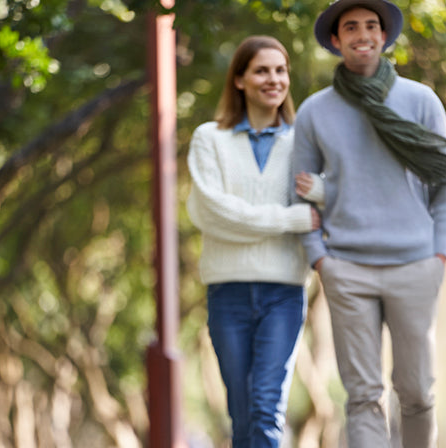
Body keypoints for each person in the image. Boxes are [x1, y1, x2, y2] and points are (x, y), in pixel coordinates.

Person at [290, 0, 446, 446]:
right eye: (351, 27)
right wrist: (320, 258)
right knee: (363, 395)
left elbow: (445, 184)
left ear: (384, 37)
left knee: (418, 391)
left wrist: (441, 253)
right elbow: (299, 191)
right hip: (346, 268)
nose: (362, 33)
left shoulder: (421, 101)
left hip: (416, 264)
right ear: (335, 39)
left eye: (371, 25)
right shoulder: (314, 112)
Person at [186, 35, 321, 448]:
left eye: (280, 70)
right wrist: (294, 218)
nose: (273, 79)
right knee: (242, 411)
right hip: (227, 293)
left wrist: (320, 195)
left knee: (266, 406)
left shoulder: (304, 141)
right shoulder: (210, 139)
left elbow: (337, 194)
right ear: (240, 79)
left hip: (284, 292)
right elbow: (211, 213)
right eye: (262, 70)